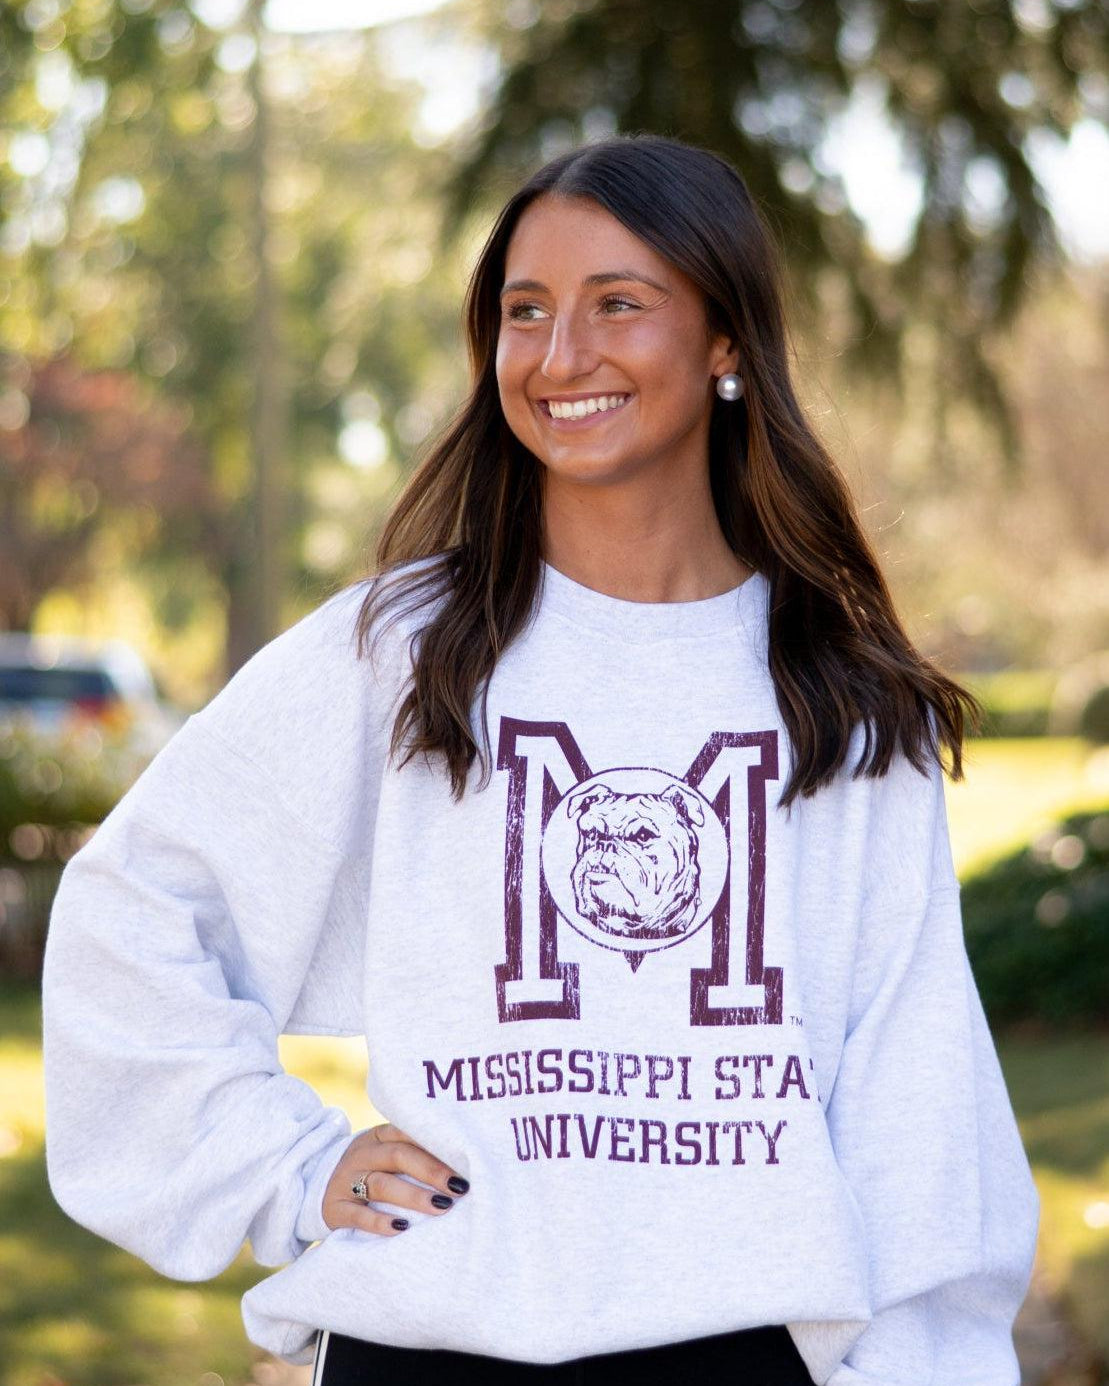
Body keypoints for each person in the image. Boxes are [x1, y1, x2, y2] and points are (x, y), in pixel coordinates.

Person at [41, 133, 1039, 1386]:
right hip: (429, 1347)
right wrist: (285, 1170)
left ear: (724, 341)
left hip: (737, 1353)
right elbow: (133, 910)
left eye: (616, 304)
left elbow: (915, 1105)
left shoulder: (837, 692)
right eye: (525, 311)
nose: (560, 356)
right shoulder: (402, 652)